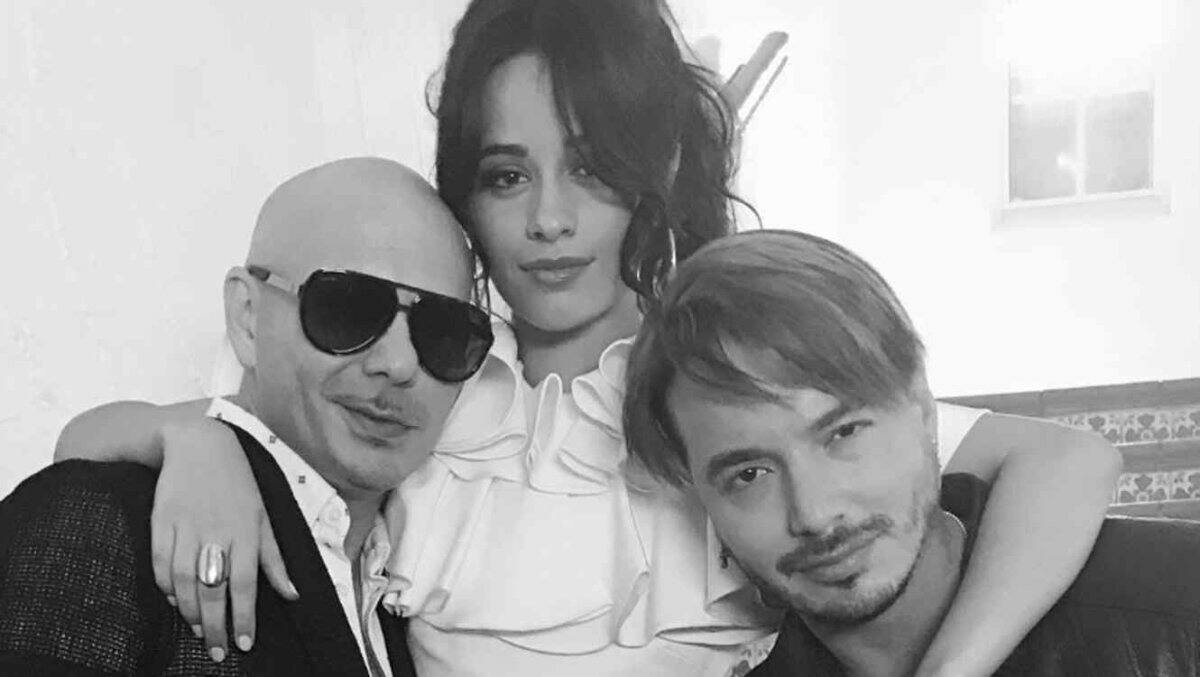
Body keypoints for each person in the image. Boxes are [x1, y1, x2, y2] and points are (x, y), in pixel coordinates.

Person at [53, 0, 1122, 674]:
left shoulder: (718, 380)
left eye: (593, 166)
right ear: (464, 194)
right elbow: (88, 450)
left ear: (655, 172)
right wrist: (194, 438)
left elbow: (1065, 459)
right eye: (506, 175)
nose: (550, 220)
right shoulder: (423, 384)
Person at [623, 229, 1200, 676]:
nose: (815, 515)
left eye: (843, 433)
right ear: (705, 502)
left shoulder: (1179, 608)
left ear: (924, 411)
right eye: (750, 474)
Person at [0, 157, 497, 675]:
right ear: (248, 317)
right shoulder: (105, 523)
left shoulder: (407, 596)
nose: (398, 363)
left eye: (444, 332)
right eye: (348, 309)